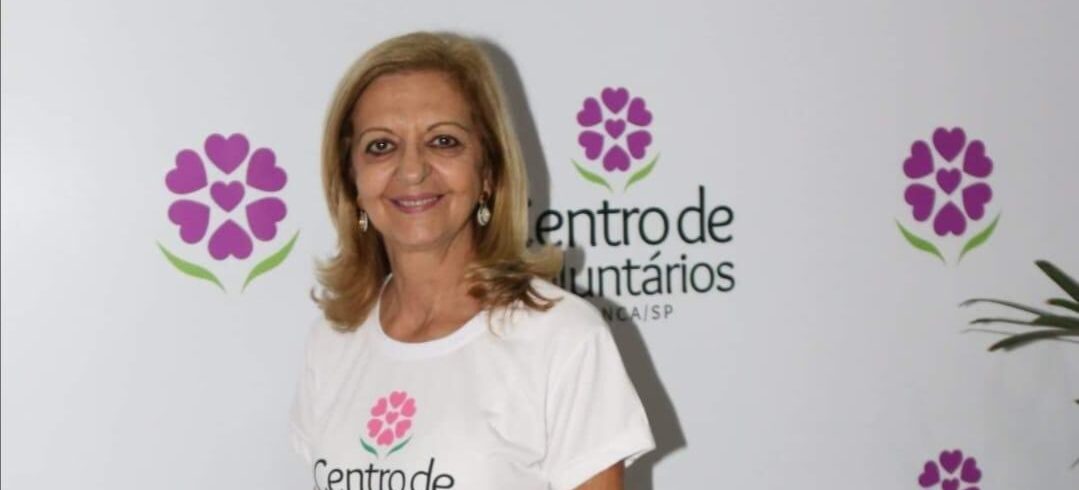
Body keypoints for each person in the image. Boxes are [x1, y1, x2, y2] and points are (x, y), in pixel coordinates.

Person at [289, 31, 655, 490]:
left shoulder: (562, 338)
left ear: (488, 172)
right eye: (381, 145)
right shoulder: (333, 340)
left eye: (443, 141)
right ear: (352, 178)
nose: (412, 170)